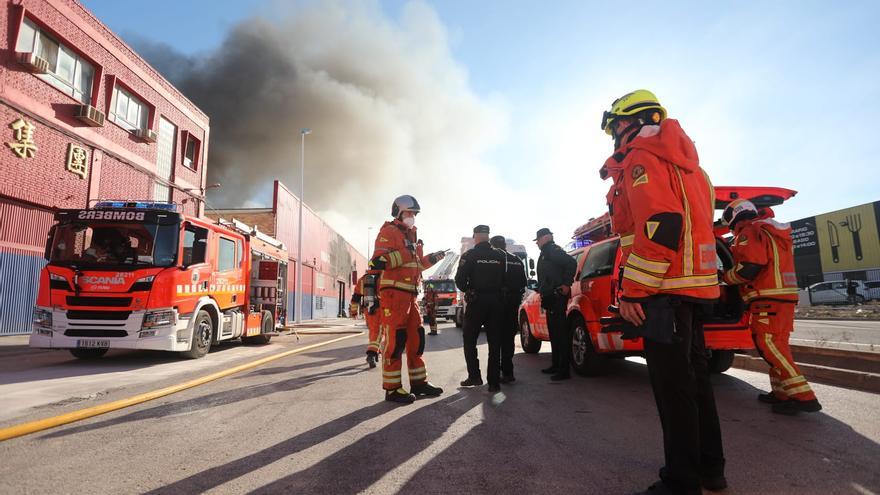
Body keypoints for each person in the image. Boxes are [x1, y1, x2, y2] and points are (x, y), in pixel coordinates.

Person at [600, 89, 725, 494]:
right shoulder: (695, 170)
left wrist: (635, 292)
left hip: (662, 290)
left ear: (632, 122)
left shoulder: (642, 158)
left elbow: (662, 224)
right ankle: (711, 468)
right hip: (694, 290)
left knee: (673, 390)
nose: (615, 136)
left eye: (616, 126)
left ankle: (681, 480)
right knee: (696, 383)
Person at [721, 199, 821, 415]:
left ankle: (804, 397)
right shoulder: (769, 231)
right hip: (780, 297)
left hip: (768, 298)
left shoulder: (748, 232)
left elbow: (749, 268)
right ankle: (781, 393)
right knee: (776, 346)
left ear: (734, 215)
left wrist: (724, 278)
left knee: (769, 346)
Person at [370, 194, 446, 404]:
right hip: (394, 296)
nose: (413, 217)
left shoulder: (411, 236)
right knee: (396, 342)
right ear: (398, 212)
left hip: (411, 296)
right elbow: (378, 262)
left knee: (416, 340)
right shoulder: (389, 232)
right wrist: (406, 252)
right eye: (409, 213)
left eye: (414, 214)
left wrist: (432, 259)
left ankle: (419, 383)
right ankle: (393, 389)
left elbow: (416, 266)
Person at [454, 225, 506, 392]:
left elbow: (460, 280)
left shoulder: (470, 255)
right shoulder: (500, 255)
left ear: (475, 237)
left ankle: (475, 376)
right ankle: (494, 382)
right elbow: (506, 279)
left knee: (470, 339)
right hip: (497, 302)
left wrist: (470, 289)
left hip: (476, 302)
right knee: (495, 341)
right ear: (488, 236)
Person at [534, 228, 577, 381]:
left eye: (538, 240)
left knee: (560, 334)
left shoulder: (552, 250)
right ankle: (556, 364)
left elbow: (571, 263)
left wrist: (566, 284)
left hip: (557, 296)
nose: (537, 243)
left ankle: (563, 370)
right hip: (550, 297)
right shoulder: (546, 252)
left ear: (545, 238)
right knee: (554, 333)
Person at [490, 235, 527, 383]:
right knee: (508, 339)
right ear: (505, 245)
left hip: (497, 304)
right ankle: (508, 372)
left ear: (492, 245)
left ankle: (495, 372)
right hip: (512, 304)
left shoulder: (493, 259)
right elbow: (523, 282)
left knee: (496, 340)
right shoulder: (517, 260)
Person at [351, 272, 382, 368]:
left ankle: (377, 350)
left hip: (368, 310)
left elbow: (356, 297)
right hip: (382, 309)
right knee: (379, 332)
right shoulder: (384, 276)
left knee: (373, 331)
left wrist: (354, 311)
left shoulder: (363, 279)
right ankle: (371, 354)